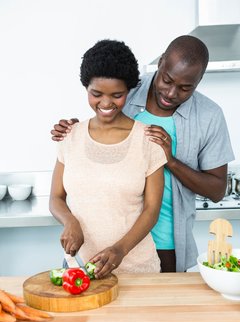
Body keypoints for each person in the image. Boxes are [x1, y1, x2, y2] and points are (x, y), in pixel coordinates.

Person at [50, 35, 235, 273]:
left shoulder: (209, 116)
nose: (170, 93)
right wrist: (73, 130)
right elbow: (101, 114)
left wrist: (171, 161)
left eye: (185, 88)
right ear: (160, 63)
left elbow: (217, 190)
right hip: (109, 234)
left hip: (166, 238)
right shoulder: (127, 87)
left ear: (199, 82)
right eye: (167, 80)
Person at [49, 39, 167, 279]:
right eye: (96, 94)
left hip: (136, 269)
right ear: (86, 88)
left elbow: (152, 210)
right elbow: (56, 197)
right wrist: (70, 221)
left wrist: (120, 250)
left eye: (117, 95)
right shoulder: (70, 136)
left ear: (129, 91)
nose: (105, 103)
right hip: (78, 266)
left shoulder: (148, 139)